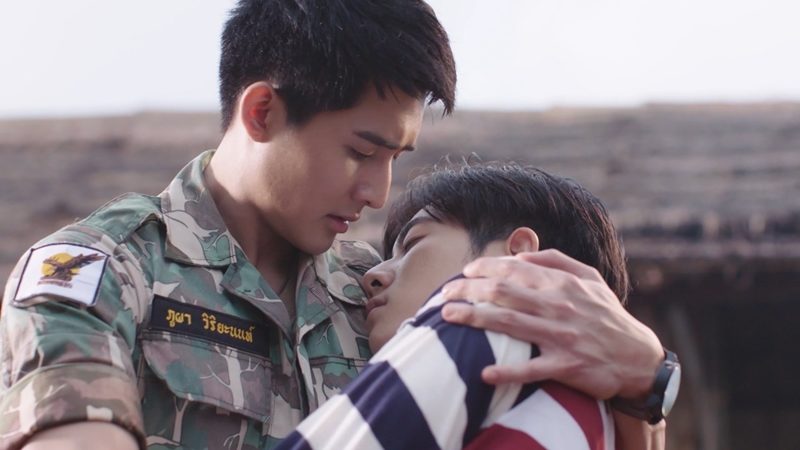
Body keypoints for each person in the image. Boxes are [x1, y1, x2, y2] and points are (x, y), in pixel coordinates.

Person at [0, 1, 668, 449]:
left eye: (395, 158)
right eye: (360, 151)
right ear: (262, 113)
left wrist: (648, 378)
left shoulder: (380, 292)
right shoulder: (103, 270)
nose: (378, 194)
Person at [275, 161, 659, 449]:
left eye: (413, 244)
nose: (372, 275)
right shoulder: (604, 418)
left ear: (519, 256)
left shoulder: (479, 318)